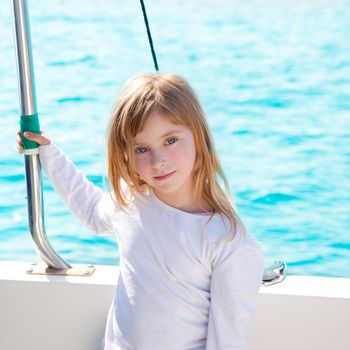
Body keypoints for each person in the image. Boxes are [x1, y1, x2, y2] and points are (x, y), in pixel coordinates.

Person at [17, 72, 264, 350]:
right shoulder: (132, 201)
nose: (158, 161)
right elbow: (91, 211)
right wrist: (48, 154)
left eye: (171, 140)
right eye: (142, 148)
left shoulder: (229, 242)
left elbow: (227, 342)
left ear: (199, 136)